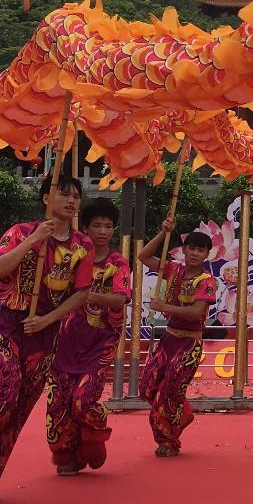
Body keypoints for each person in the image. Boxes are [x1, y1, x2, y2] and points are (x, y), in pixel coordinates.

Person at [0, 174, 93, 503]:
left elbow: (81, 293)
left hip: (44, 333)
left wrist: (48, 319)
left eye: (76, 196)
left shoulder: (81, 246)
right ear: (46, 198)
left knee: (20, 406)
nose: (71, 201)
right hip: (10, 327)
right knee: (2, 388)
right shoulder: (20, 232)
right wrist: (34, 241)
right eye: (63, 194)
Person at [46, 198, 131, 475]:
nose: (103, 231)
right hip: (65, 342)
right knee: (59, 403)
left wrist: (86, 294)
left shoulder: (118, 264)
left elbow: (119, 300)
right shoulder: (72, 256)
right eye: (97, 225)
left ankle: (94, 440)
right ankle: (67, 456)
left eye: (108, 226)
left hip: (99, 344)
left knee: (83, 400)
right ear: (85, 227)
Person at [139, 223, 217, 457]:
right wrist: (163, 232)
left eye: (200, 250)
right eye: (191, 248)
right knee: (147, 388)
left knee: (167, 391)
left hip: (189, 344)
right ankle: (183, 411)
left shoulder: (207, 281)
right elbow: (143, 256)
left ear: (206, 254)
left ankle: (167, 440)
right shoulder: (174, 270)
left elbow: (195, 312)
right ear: (183, 250)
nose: (195, 253)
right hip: (168, 340)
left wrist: (164, 306)